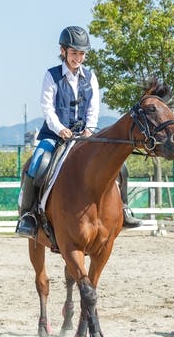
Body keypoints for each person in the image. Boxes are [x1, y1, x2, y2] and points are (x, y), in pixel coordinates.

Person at [16, 26, 142, 238]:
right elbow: (47, 107)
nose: (78, 58)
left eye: (82, 53)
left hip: (84, 137)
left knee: (121, 167)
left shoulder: (90, 77)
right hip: (55, 135)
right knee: (37, 162)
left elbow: (94, 107)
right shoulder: (52, 76)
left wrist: (90, 129)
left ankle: (124, 209)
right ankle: (27, 216)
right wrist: (60, 128)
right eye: (74, 53)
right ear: (63, 51)